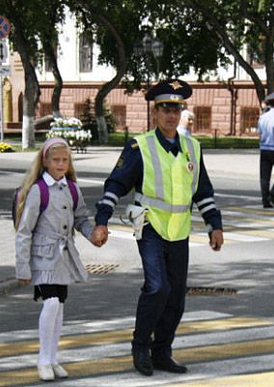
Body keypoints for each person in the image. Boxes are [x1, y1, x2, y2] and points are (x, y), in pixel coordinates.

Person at [92, 79, 224, 377]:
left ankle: (162, 351)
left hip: (179, 230)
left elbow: (202, 191)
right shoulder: (141, 146)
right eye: (165, 109)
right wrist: (102, 220)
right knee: (157, 287)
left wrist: (214, 225)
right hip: (150, 227)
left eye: (176, 110)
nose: (170, 115)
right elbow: (116, 184)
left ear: (181, 113)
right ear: (155, 112)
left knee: (176, 295)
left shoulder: (192, 146)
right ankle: (141, 346)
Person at [14, 137, 106, 382]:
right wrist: (22, 267)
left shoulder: (73, 189)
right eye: (56, 160)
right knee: (51, 303)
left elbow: (81, 219)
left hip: (64, 255)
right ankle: (43, 359)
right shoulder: (38, 190)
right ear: (45, 161)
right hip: (43, 255)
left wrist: (92, 235)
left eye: (65, 160)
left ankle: (53, 358)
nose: (61, 164)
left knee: (60, 307)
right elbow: (24, 231)